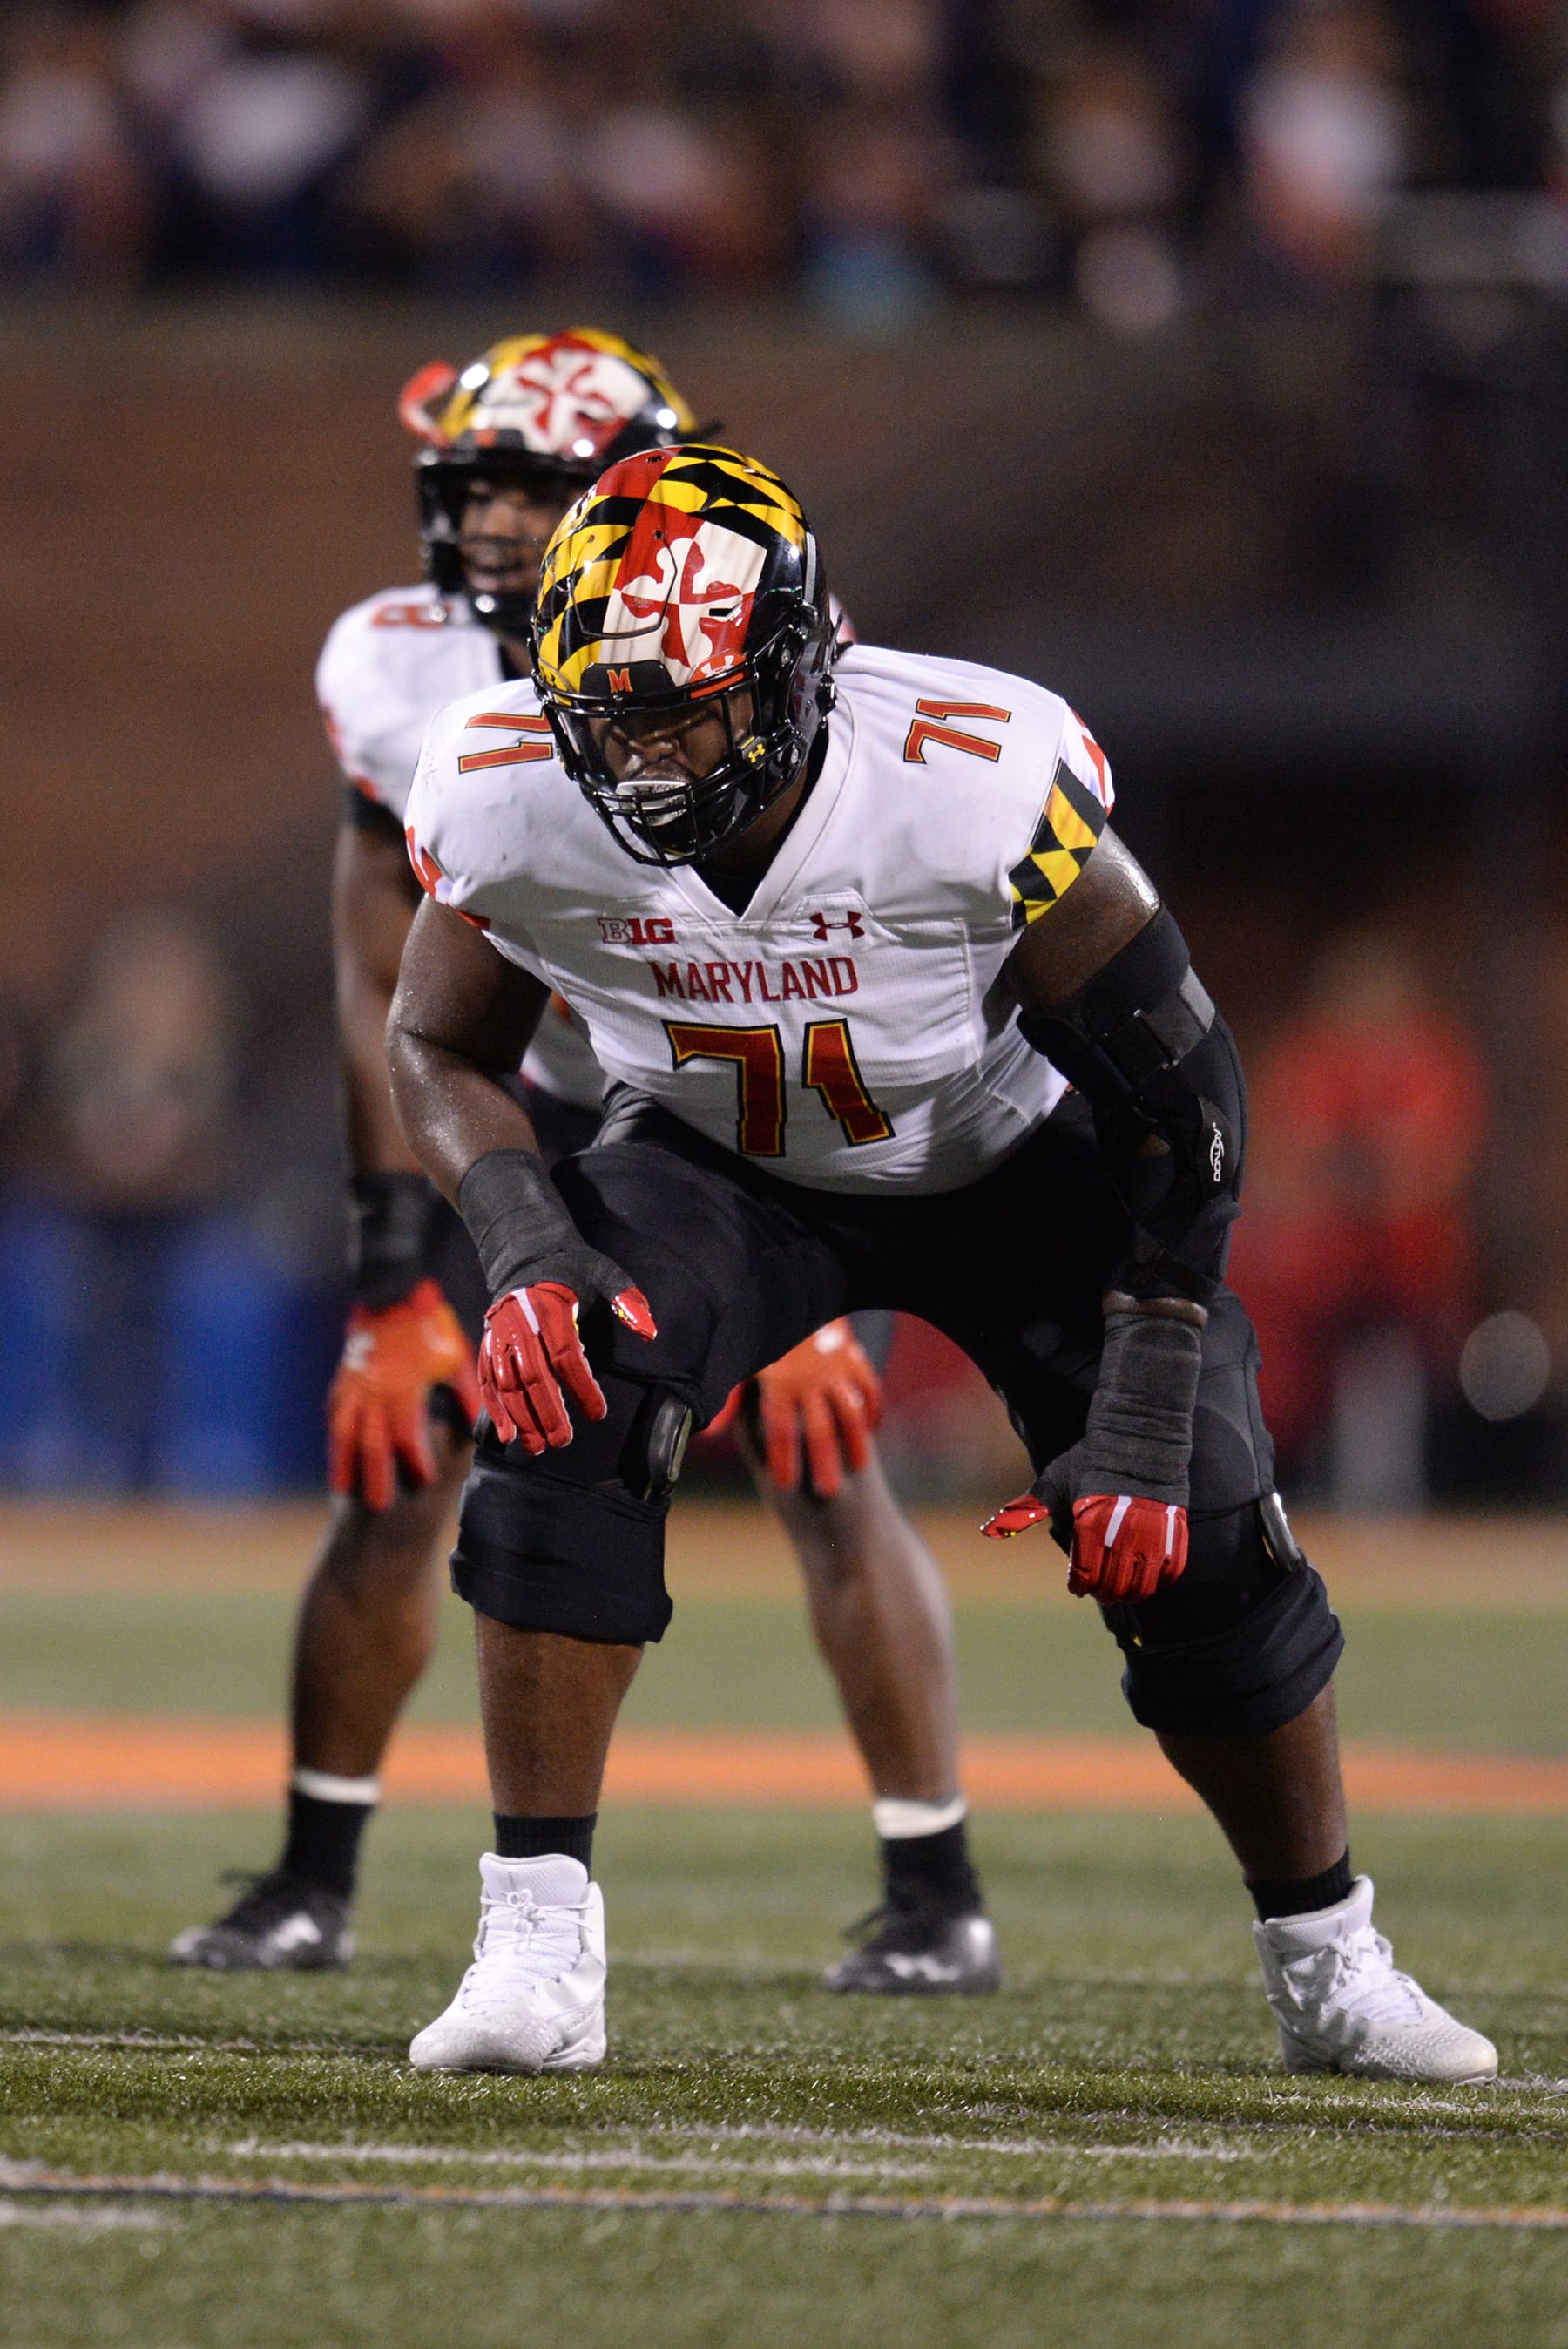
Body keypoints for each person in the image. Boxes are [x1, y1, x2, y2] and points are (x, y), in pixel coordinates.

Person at [385, 441, 1497, 2086]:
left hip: (1012, 1158)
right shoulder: (507, 794)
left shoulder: (969, 777)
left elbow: (1184, 1093)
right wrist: (530, 1239)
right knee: (563, 1388)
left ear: (787, 671)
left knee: (1188, 1521)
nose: (635, 757)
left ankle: (1330, 1959)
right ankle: (537, 1945)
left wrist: (1154, 1364)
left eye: (677, 708)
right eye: (603, 715)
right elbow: (434, 1041)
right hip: (718, 1161)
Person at [171, 333, 997, 1993]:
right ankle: (313, 1874)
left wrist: (800, 1265)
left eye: (541, 489)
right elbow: (374, 970)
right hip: (506, 1098)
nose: (499, 525)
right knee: (405, 1459)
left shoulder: (745, 649)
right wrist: (395, 1269)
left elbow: (804, 933)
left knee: (825, 1464)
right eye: (481, 486)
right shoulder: (396, 667)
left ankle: (938, 1888)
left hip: (727, 1096)